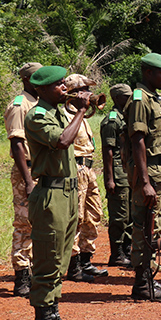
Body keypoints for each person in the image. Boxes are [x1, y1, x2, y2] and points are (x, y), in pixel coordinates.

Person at [24, 65, 89, 320]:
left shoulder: (57, 112)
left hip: (68, 194)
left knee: (60, 258)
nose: (65, 88)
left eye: (65, 84)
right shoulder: (37, 116)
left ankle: (54, 315)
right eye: (59, 85)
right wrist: (82, 111)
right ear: (42, 89)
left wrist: (76, 109)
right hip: (51, 196)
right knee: (47, 258)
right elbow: (62, 140)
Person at [123, 53, 161, 301]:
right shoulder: (140, 100)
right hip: (151, 173)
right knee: (144, 227)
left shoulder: (156, 99)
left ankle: (150, 278)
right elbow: (138, 140)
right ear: (148, 73)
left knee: (156, 226)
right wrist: (144, 181)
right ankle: (142, 283)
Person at [62, 74, 108, 282]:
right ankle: (73, 265)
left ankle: (86, 260)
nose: (89, 94)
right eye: (84, 90)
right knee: (77, 217)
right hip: (76, 169)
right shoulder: (65, 114)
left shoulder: (84, 116)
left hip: (89, 170)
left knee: (93, 214)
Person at [4, 62, 42, 297]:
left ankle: (36, 271)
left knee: (39, 223)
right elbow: (17, 143)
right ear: (28, 80)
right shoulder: (20, 105)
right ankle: (22, 278)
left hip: (40, 170)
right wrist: (28, 181)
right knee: (24, 224)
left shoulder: (38, 103)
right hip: (26, 171)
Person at [100, 84, 133, 267]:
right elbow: (108, 152)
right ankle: (117, 253)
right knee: (119, 215)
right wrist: (110, 179)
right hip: (118, 172)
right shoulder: (112, 121)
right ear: (118, 98)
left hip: (128, 171)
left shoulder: (126, 117)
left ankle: (127, 250)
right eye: (127, 97)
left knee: (130, 215)